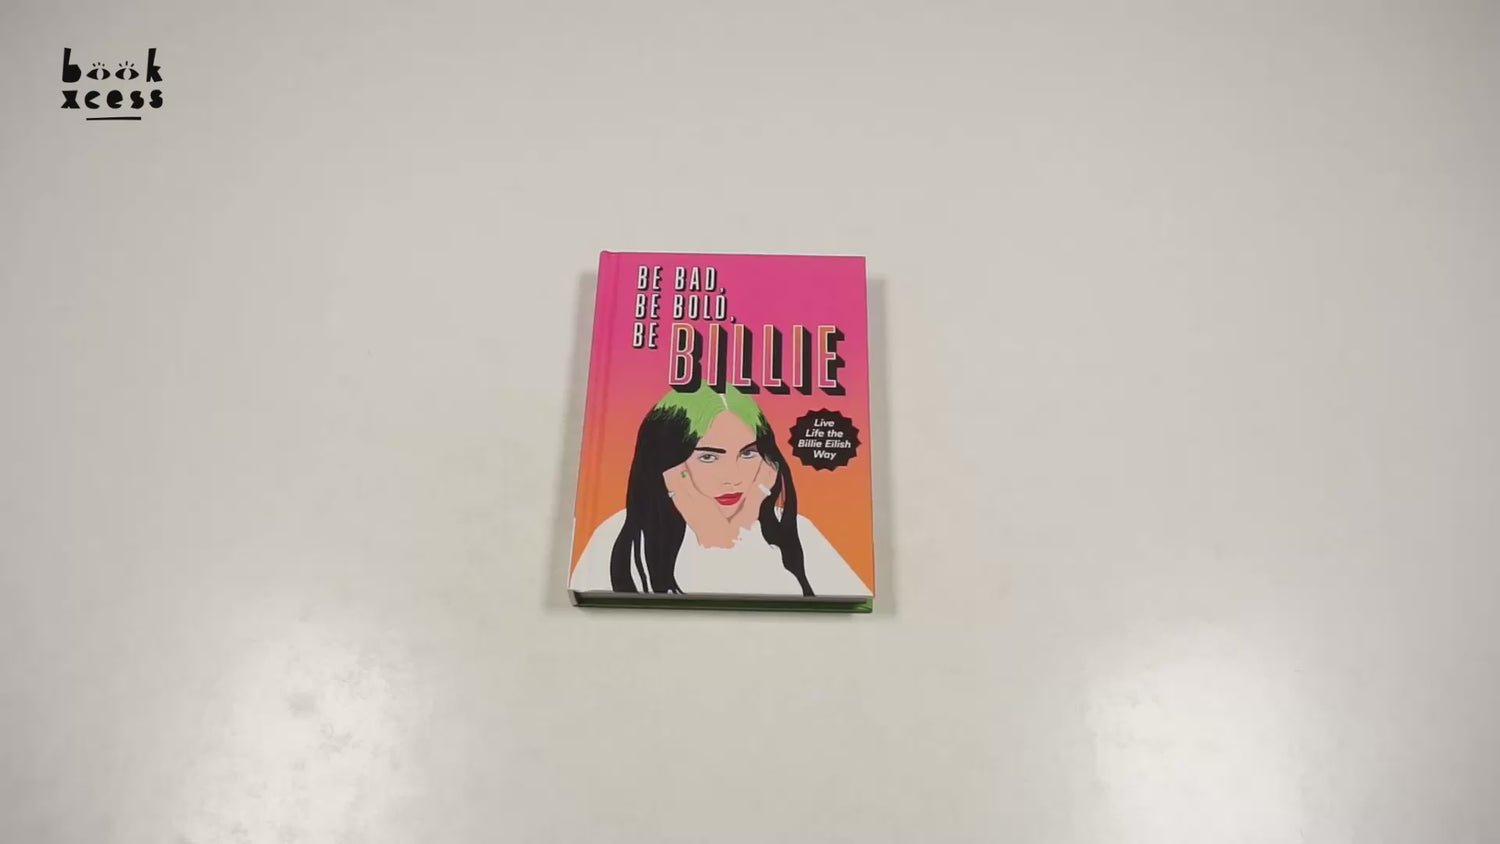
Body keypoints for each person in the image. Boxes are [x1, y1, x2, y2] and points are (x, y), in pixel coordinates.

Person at [570, 384, 870, 597]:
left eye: (748, 453)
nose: (733, 478)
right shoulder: (619, 535)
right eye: (708, 457)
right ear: (666, 461)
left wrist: (736, 531)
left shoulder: (797, 530)